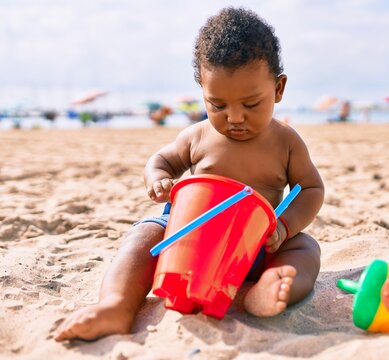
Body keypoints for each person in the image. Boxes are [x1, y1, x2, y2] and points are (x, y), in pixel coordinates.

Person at [53, 7, 325, 341]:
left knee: (306, 250)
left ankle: (270, 287)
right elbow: (160, 161)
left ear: (278, 89)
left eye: (251, 104)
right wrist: (158, 179)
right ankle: (116, 305)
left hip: (255, 245)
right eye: (218, 105)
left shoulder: (286, 143)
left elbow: (311, 188)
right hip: (187, 238)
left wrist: (284, 227)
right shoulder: (196, 136)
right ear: (203, 94)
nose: (235, 117)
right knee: (143, 236)